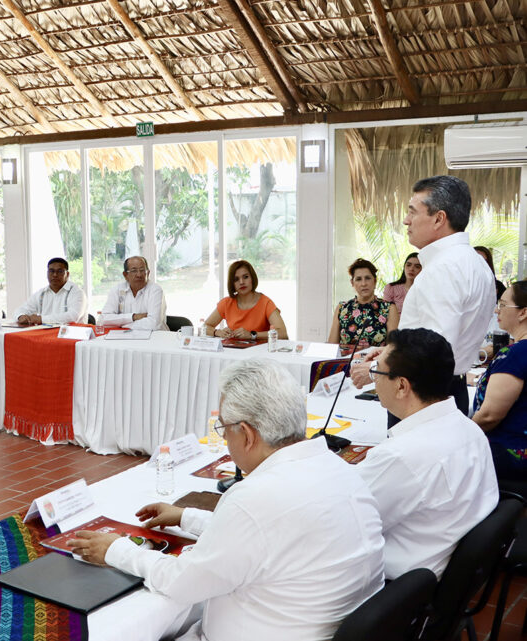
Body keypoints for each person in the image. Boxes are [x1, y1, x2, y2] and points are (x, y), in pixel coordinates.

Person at [67, 359, 384, 641]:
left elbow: (182, 582)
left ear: (247, 434)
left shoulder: (253, 500)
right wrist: (186, 517)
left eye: (224, 431)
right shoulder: (340, 469)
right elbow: (263, 535)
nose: (225, 441)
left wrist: (116, 551)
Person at [355, 328, 497, 580]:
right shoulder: (469, 429)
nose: (374, 378)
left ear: (401, 385)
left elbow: (345, 520)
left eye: (377, 370)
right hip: (449, 572)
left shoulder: (401, 456)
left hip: (400, 588)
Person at [352, 176, 495, 417]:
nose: (406, 220)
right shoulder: (476, 263)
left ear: (439, 218)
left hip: (422, 395)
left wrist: (377, 369)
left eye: (413, 212)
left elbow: (433, 349)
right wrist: (390, 353)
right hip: (450, 387)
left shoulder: (443, 268)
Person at [472, 282, 527, 479]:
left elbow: (489, 416)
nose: (497, 310)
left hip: (509, 453)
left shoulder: (515, 354)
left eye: (503, 305)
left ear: (523, 313)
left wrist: (461, 435)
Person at [203, 260, 288, 340]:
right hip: (233, 352)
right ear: (232, 284)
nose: (241, 282)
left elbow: (283, 334)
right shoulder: (226, 303)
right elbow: (204, 327)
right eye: (236, 279)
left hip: (259, 353)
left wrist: (252, 335)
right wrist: (217, 332)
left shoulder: (266, 303)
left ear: (252, 278)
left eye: (245, 277)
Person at [327, 258, 398, 347]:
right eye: (358, 279)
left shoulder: (388, 308)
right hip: (346, 360)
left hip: (375, 360)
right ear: (352, 283)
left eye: (367, 278)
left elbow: (393, 347)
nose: (363, 284)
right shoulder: (342, 308)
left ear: (375, 281)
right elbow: (331, 346)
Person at [98, 256, 167, 330]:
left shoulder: (155, 290)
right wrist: (133, 317)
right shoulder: (117, 290)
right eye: (134, 271)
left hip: (154, 338)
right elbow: (103, 319)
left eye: (142, 270)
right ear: (125, 275)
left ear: (148, 273)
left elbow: (153, 324)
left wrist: (121, 325)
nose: (139, 275)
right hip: (124, 338)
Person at [15, 258, 86, 326]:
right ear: (47, 273)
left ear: (67, 274)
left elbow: (73, 316)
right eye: (51, 271)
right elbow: (21, 309)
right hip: (46, 335)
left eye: (60, 271)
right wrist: (21, 316)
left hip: (72, 336)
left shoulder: (77, 292)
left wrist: (41, 319)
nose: (55, 275)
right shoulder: (41, 293)